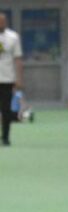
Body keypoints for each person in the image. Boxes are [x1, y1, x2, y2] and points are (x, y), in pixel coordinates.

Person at [0, 12, 22, 146]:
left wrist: (19, 79)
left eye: (2, 21)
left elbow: (18, 59)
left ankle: (5, 137)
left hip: (7, 79)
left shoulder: (13, 37)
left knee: (6, 110)